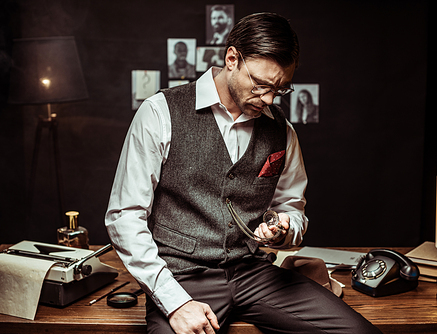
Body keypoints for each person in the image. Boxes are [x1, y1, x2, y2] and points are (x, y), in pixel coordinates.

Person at [105, 12, 382, 334]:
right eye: (261, 84)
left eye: (279, 90)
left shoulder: (282, 130)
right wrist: (174, 300)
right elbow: (124, 216)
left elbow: (291, 206)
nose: (267, 99)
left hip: (253, 271)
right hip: (180, 277)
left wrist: (283, 227)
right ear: (232, 58)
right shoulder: (160, 112)